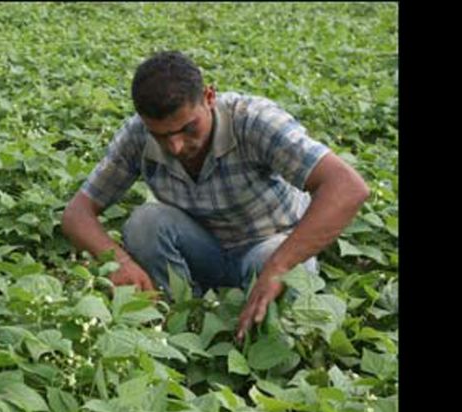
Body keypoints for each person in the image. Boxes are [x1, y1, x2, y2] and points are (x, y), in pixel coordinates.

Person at [61, 51, 370, 342]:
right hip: (203, 251)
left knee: (294, 273)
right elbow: (77, 213)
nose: (176, 147)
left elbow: (347, 186)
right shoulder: (138, 135)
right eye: (161, 135)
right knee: (145, 222)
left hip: (267, 246)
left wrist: (278, 267)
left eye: (187, 128)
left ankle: (264, 343)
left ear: (209, 97)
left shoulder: (252, 121)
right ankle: (177, 323)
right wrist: (119, 261)